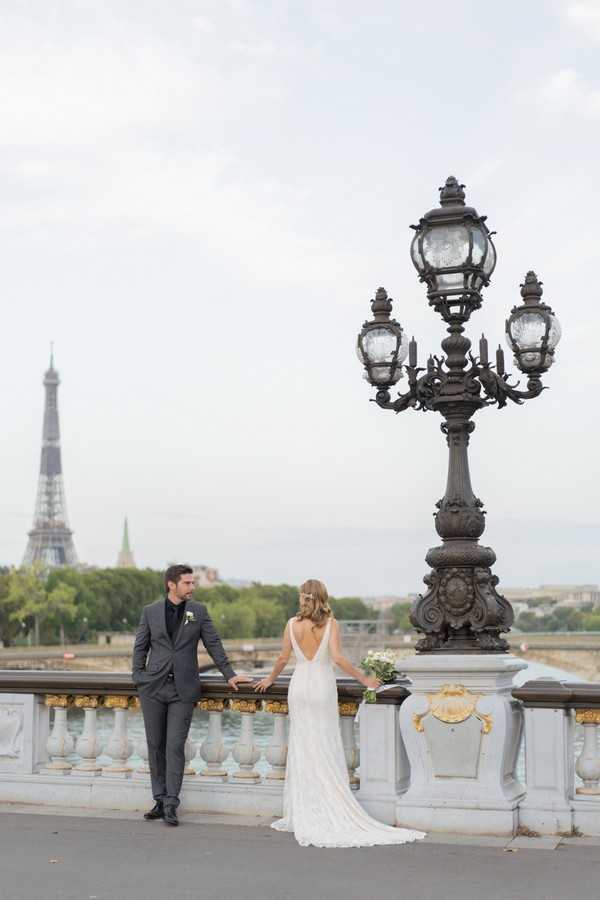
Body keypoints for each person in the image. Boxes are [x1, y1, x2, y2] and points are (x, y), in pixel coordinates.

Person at [255, 578, 426, 848]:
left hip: (299, 686)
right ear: (323, 597)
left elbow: (282, 658)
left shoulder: (291, 624)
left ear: (303, 598)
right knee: (324, 743)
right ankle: (329, 802)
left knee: (303, 745)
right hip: (321, 686)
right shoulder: (330, 624)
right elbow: (337, 658)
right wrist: (365, 680)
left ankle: (304, 809)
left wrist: (268, 680)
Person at [132, 564, 253, 826]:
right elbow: (140, 647)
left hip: (183, 689)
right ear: (171, 585)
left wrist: (229, 674)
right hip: (153, 688)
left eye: (193, 583)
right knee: (155, 746)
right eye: (188, 583)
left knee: (174, 745)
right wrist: (139, 677)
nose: (192, 587)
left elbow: (213, 644)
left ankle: (172, 803)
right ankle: (160, 799)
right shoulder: (150, 612)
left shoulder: (198, 612)